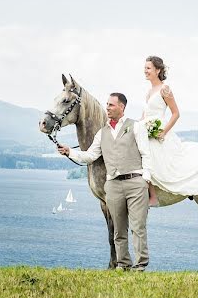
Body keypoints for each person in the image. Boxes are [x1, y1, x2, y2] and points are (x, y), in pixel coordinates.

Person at [57, 93, 152, 271]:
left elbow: (146, 154)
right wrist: (69, 152)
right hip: (113, 185)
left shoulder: (136, 127)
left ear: (122, 107)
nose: (107, 107)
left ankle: (140, 267)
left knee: (138, 228)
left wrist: (145, 180)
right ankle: (123, 265)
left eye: (111, 105)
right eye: (107, 104)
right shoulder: (102, 133)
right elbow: (90, 155)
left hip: (135, 182)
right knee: (118, 229)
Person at [139, 55, 198, 199]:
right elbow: (144, 116)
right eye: (145, 68)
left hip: (158, 131)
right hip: (146, 130)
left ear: (157, 70)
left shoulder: (165, 89)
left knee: (152, 158)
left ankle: (153, 196)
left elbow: (176, 113)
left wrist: (164, 132)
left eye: (148, 68)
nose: (145, 71)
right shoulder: (149, 91)